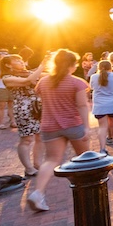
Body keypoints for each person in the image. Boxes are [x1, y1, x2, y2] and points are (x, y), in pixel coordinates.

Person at [30, 50, 90, 212]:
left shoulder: (44, 82)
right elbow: (82, 106)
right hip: (73, 124)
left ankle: (38, 193)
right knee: (85, 158)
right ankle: (88, 193)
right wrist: (86, 126)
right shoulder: (77, 83)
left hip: (50, 126)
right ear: (72, 65)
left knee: (50, 160)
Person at [0, 54, 44, 177]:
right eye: (17, 60)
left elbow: (46, 75)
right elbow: (28, 81)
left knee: (40, 137)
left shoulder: (28, 72)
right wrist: (42, 65)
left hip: (37, 108)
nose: (21, 61)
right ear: (8, 64)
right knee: (27, 139)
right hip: (23, 109)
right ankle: (29, 168)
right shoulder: (7, 77)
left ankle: (38, 164)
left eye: (21, 59)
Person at [90, 60, 113, 154]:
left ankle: (102, 148)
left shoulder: (94, 77)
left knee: (102, 127)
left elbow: (92, 87)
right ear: (110, 67)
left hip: (99, 105)